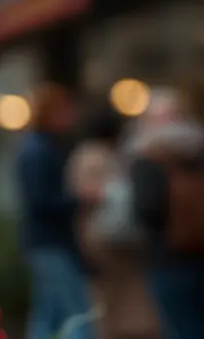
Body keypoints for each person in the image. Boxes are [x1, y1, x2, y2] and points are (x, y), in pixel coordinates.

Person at [67, 101, 159, 339]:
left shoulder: (90, 153)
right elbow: (85, 191)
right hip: (107, 235)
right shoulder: (97, 156)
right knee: (113, 298)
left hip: (105, 235)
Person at [16, 83, 95, 339]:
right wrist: (79, 199)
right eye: (65, 111)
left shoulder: (40, 146)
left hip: (44, 241)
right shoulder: (39, 150)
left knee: (49, 312)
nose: (71, 117)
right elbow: (42, 200)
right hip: (50, 242)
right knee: (76, 313)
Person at [127, 87, 204, 339]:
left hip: (167, 257)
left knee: (181, 327)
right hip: (197, 254)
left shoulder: (145, 156)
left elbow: (145, 210)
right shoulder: (198, 148)